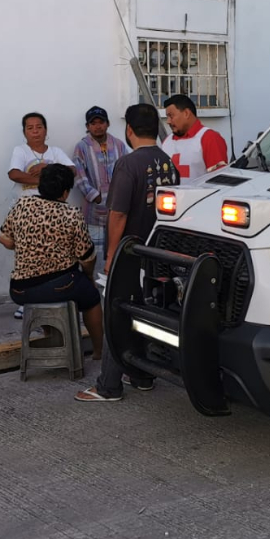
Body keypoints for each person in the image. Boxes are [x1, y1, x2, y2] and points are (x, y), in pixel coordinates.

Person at [76, 103, 178, 403]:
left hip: (129, 253)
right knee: (145, 314)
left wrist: (110, 257)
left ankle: (108, 385)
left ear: (129, 130)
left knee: (115, 317)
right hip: (158, 254)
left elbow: (117, 214)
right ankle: (142, 375)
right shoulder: (167, 162)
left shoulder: (128, 164)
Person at [0, 163, 104, 376]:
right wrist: (89, 277)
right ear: (65, 192)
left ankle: (55, 341)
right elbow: (86, 257)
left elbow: (5, 239)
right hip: (60, 286)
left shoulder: (22, 205)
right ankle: (99, 351)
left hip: (20, 290)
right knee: (91, 297)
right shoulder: (71, 214)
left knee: (56, 293)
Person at [8, 112, 73, 318]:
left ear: (46, 130)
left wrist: (46, 168)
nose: (35, 131)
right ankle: (26, 301)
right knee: (26, 258)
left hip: (54, 213)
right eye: (30, 128)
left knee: (53, 257)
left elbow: (72, 170)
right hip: (28, 212)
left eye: (39, 127)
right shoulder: (21, 150)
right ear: (24, 132)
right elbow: (14, 174)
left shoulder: (55, 151)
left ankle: (52, 296)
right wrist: (48, 181)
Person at [72, 105, 129, 262]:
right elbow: (78, 175)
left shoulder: (119, 145)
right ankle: (95, 286)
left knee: (117, 252)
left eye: (101, 122)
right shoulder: (82, 147)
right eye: (93, 123)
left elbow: (127, 171)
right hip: (94, 210)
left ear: (108, 123)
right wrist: (94, 196)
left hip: (117, 207)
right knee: (94, 254)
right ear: (88, 126)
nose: (98, 126)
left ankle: (112, 285)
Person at [161, 94, 228, 181]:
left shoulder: (209, 138)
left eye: (171, 116)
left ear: (186, 113)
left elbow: (219, 179)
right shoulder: (167, 141)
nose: (168, 121)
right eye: (167, 117)